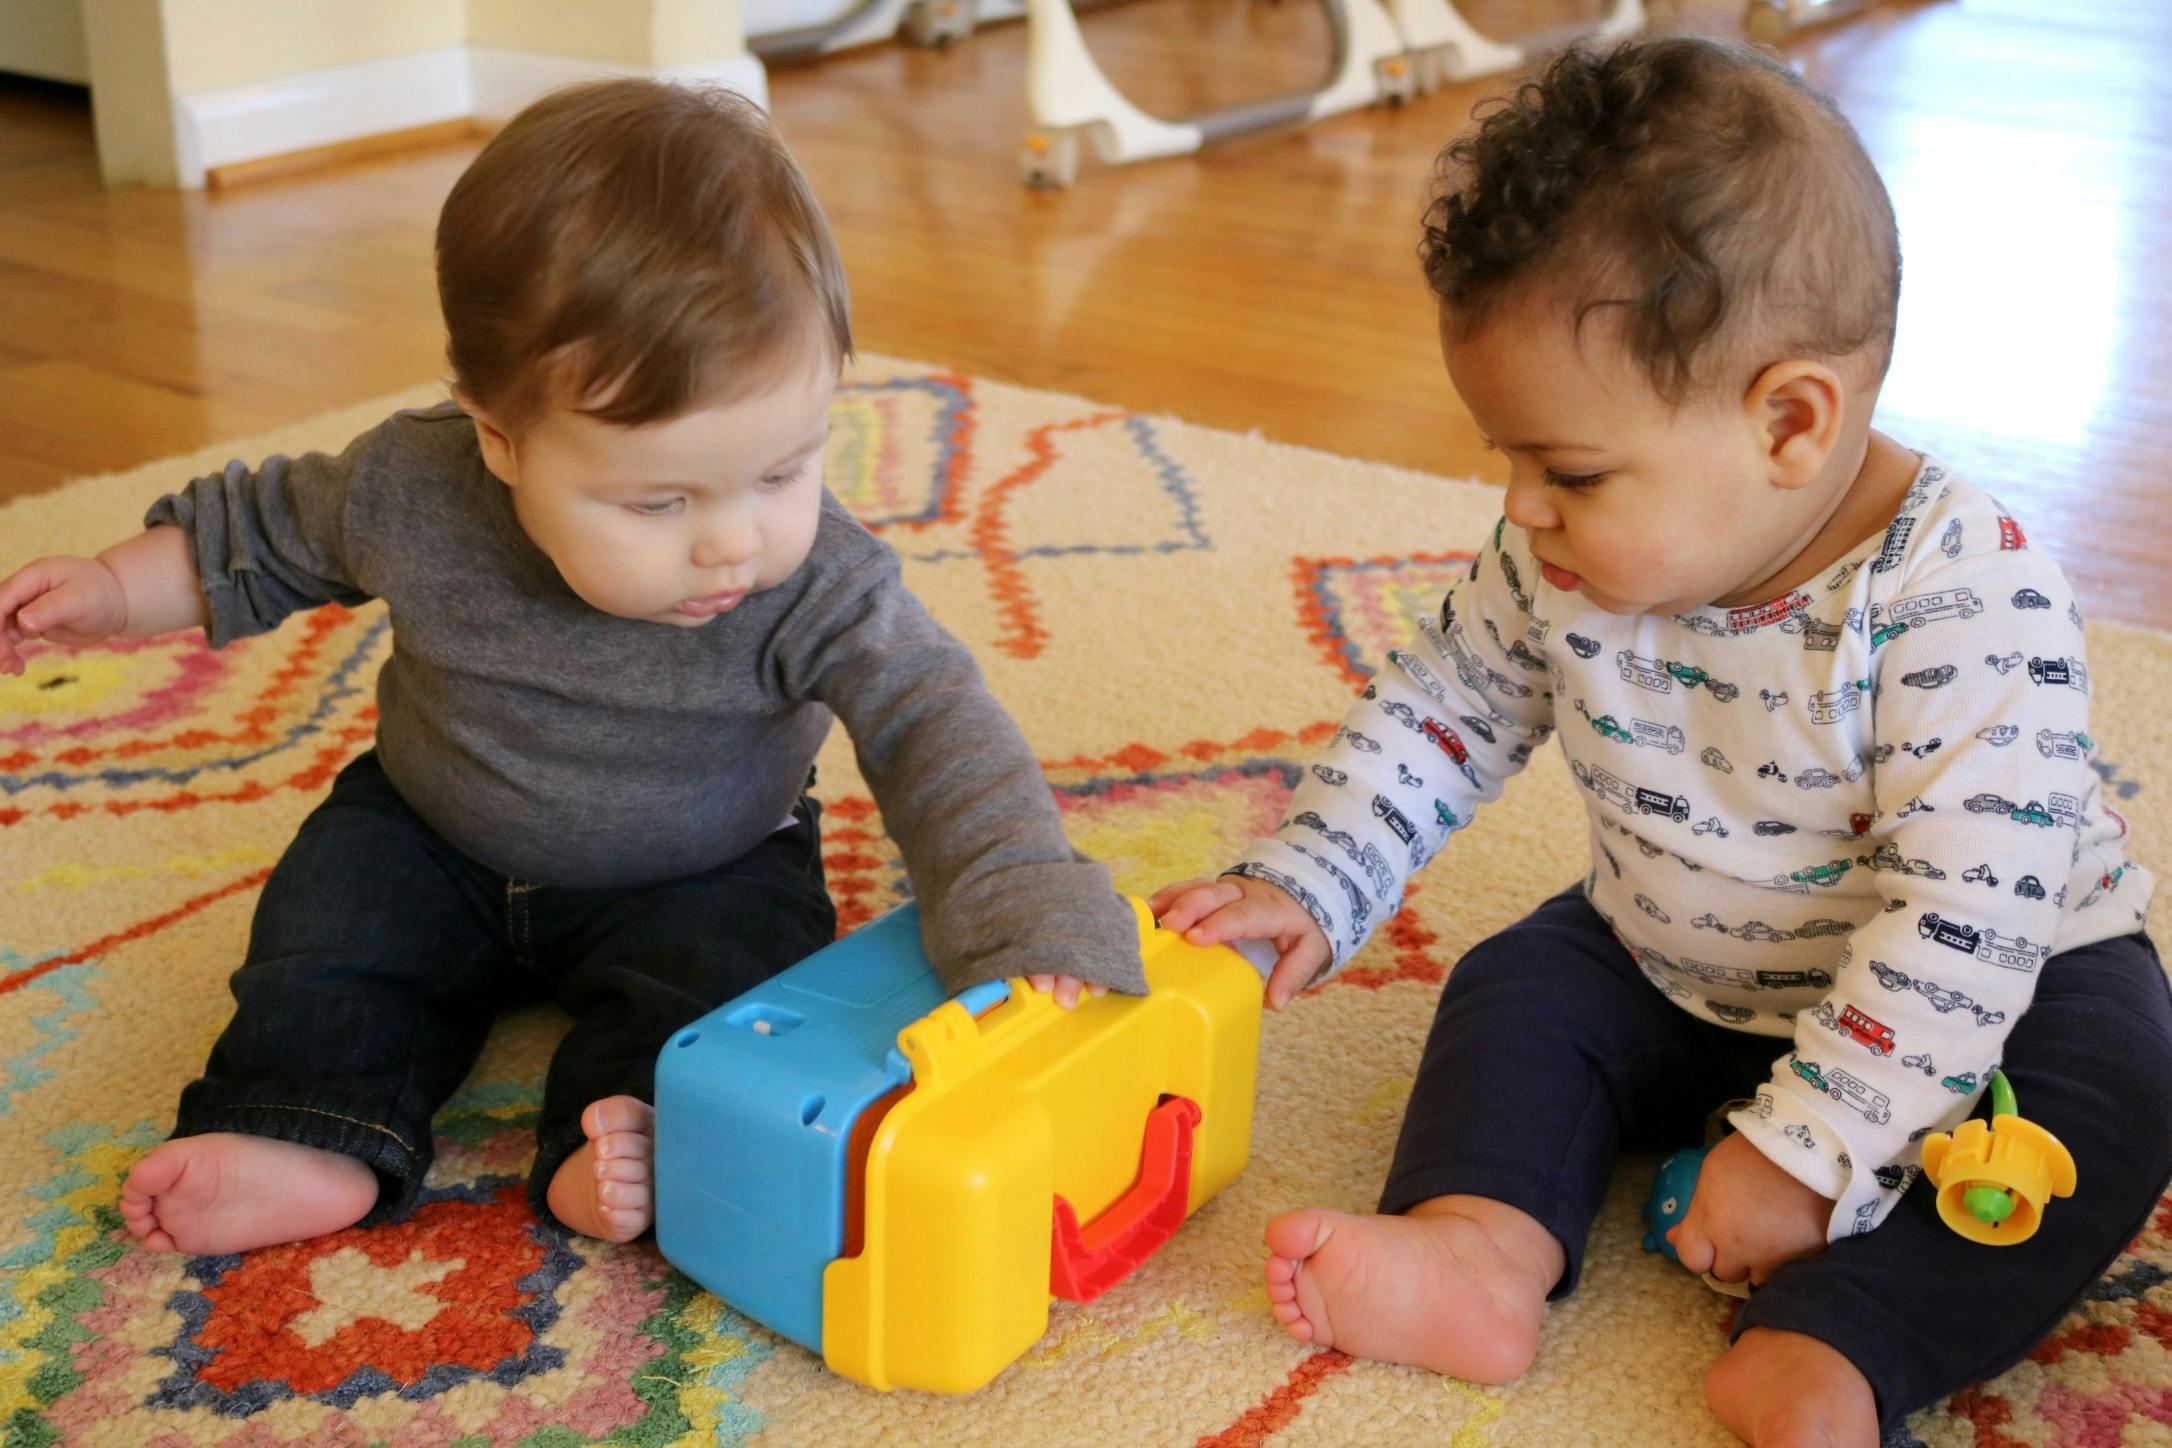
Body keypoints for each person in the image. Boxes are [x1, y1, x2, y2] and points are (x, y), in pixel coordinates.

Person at [1151, 37, 2168, 1446]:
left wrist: (1812, 1147)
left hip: (1997, 985)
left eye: (1565, 471)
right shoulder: (1558, 563)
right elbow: (1446, 706)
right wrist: (1316, 876)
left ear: (1790, 423)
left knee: (2106, 1097)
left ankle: (1848, 1343)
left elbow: (1964, 921)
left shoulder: (1963, 599)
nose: (1519, 510)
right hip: (1677, 958)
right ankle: (1480, 1247)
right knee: (1521, 988)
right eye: (1507, 460)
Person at [0, 79, 1141, 1255]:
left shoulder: (817, 583)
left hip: (705, 861)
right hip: (431, 829)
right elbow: (261, 532)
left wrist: (1026, 910)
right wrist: (112, 588)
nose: (732, 540)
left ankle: (621, 1137)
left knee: (729, 991)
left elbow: (935, 723)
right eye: (658, 498)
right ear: (499, 436)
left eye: (784, 470)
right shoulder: (414, 485)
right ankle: (304, 1124)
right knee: (328, 938)